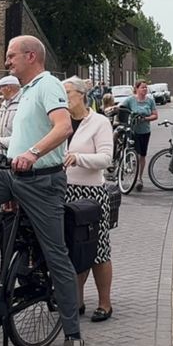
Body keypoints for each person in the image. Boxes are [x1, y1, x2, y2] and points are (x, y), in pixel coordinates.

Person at [0, 35, 84, 346]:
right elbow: (26, 132)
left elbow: (63, 128)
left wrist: (32, 154)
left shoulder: (48, 85)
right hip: (12, 175)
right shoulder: (25, 92)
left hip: (42, 182)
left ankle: (73, 336)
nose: (7, 61)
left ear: (31, 56)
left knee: (56, 254)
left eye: (11, 55)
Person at [61, 77, 115, 323]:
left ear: (82, 95)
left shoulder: (99, 122)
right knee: (72, 249)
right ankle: (78, 300)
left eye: (68, 93)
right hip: (65, 191)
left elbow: (105, 159)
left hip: (91, 194)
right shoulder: (58, 122)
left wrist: (78, 158)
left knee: (98, 249)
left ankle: (105, 303)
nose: (64, 98)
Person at [122, 80, 158, 192]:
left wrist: (145, 119)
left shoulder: (150, 101)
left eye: (146, 88)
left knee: (142, 155)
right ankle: (131, 173)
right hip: (133, 131)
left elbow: (155, 115)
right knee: (135, 154)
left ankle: (139, 178)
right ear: (136, 88)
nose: (145, 89)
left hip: (145, 131)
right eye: (142, 87)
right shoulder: (130, 100)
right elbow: (121, 108)